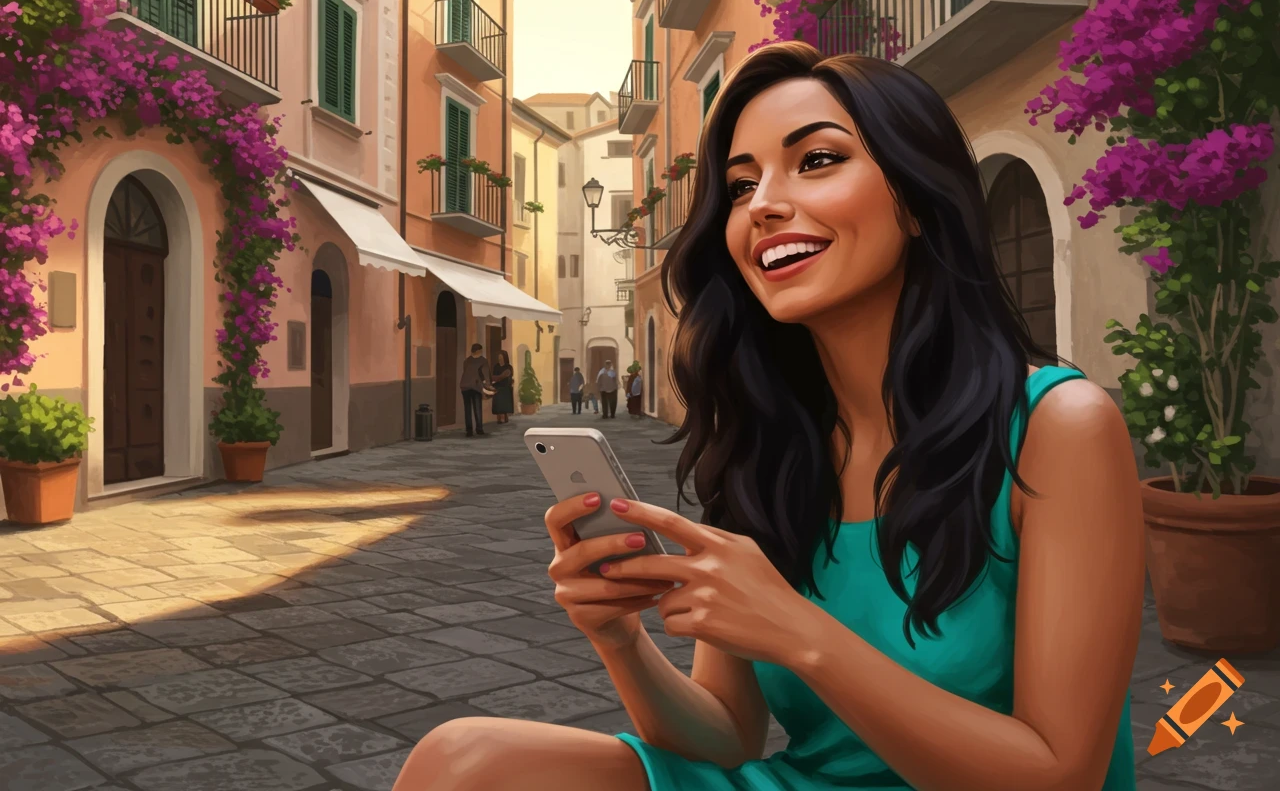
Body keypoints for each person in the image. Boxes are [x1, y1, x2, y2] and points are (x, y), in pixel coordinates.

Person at [394, 43, 1143, 791]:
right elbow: (726, 733)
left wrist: (801, 633)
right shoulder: (772, 440)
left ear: (916, 199)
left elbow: (1063, 775)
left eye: (816, 160)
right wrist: (619, 638)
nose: (763, 205)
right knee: (464, 762)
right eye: (742, 184)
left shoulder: (1059, 426)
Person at [458, 343, 489, 438]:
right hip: (475, 386)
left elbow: (465, 371)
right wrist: (486, 385)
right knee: (477, 408)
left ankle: (469, 430)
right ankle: (479, 429)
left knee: (467, 409)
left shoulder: (467, 361)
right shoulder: (483, 361)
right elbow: (484, 375)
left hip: (465, 386)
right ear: (479, 351)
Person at [491, 350, 515, 424]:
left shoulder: (509, 367)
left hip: (505, 388)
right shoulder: (496, 366)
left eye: (501, 357)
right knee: (498, 405)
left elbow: (506, 376)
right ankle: (499, 419)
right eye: (499, 357)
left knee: (504, 404)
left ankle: (504, 418)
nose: (500, 359)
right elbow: (494, 377)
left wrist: (498, 378)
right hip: (497, 387)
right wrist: (499, 378)